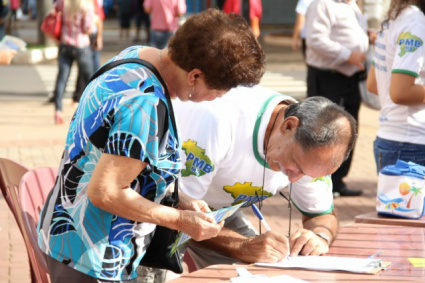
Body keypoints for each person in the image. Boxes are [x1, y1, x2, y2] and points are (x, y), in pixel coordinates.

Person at [37, 8, 266, 283]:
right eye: (217, 92)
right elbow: (106, 192)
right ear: (194, 76)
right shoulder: (146, 104)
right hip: (94, 256)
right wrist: (180, 221)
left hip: (70, 236)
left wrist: (183, 202)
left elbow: (126, 167)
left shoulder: (138, 56)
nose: (216, 99)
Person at [138, 85, 357, 281]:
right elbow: (176, 211)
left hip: (219, 210)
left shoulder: (313, 153)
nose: (293, 179)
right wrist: (242, 246)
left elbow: (321, 215)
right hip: (157, 202)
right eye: (295, 166)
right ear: (289, 126)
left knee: (261, 270)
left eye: (307, 174)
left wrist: (320, 236)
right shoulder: (219, 120)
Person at [305, 0, 368, 197]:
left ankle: (337, 180)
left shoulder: (352, 5)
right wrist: (348, 54)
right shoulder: (322, 4)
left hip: (349, 77)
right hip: (329, 75)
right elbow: (315, 39)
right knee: (325, 130)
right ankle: (320, 181)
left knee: (348, 128)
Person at [366, 0, 425, 171]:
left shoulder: (395, 16)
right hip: (412, 145)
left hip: (392, 139)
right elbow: (400, 92)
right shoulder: (416, 23)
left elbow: (374, 84)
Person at [50, 0, 95, 124]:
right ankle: (88, 110)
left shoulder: (62, 2)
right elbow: (87, 29)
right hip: (81, 46)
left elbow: (54, 11)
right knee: (88, 78)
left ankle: (58, 110)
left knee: (62, 78)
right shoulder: (86, 5)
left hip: (65, 44)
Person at [72, 0, 104, 105]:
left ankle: (88, 95)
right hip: (84, 38)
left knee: (91, 67)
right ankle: (82, 96)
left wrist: (99, 36)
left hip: (89, 36)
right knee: (86, 69)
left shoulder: (93, 2)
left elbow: (99, 18)